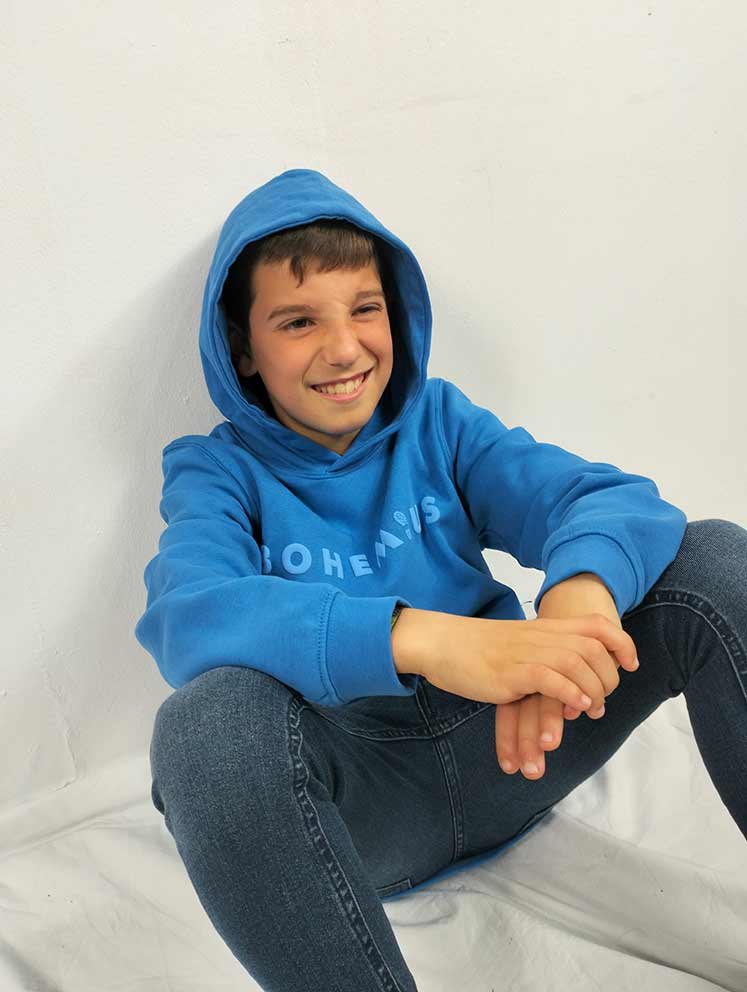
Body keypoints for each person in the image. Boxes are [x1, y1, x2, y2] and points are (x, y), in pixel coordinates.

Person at [135, 167, 747, 992]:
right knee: (204, 728)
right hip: (360, 804)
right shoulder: (215, 472)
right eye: (298, 321)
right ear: (242, 348)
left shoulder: (439, 422)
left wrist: (570, 617)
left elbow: (608, 501)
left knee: (713, 558)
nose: (343, 347)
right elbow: (189, 613)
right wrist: (424, 639)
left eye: (364, 309)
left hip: (520, 744)